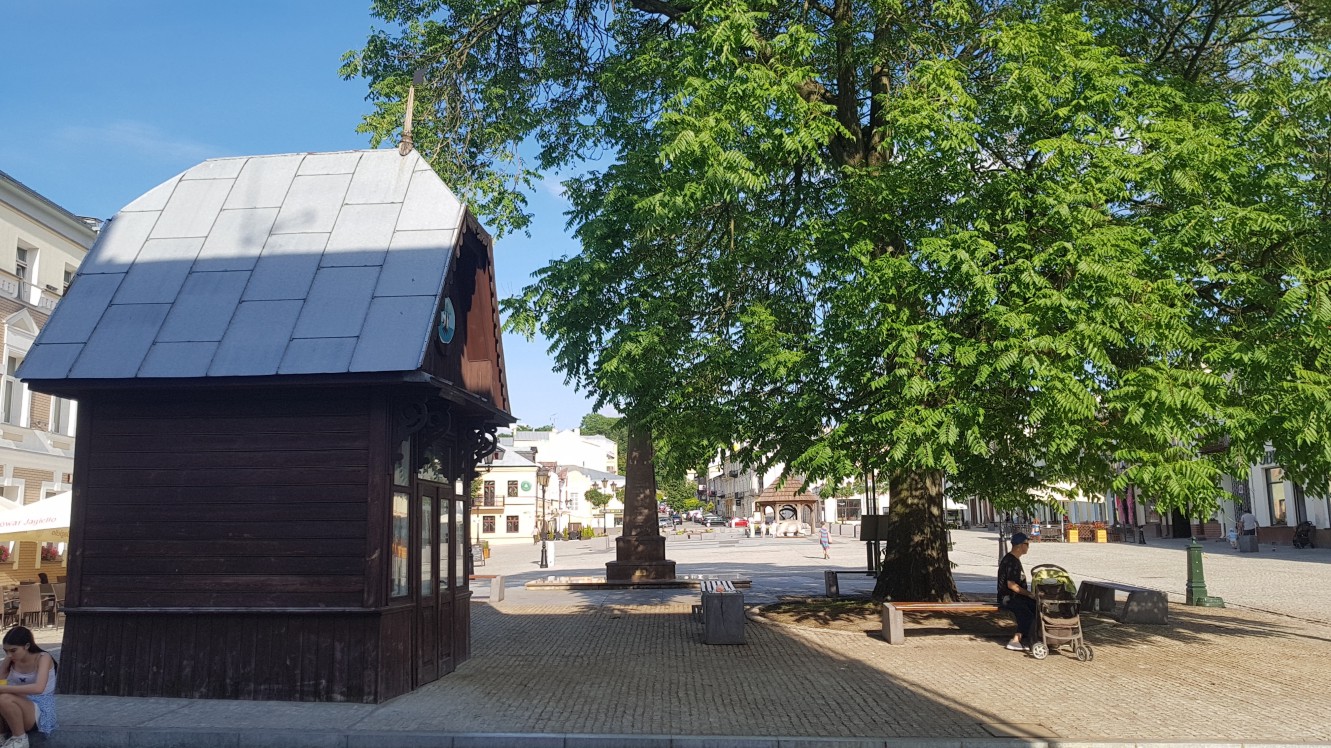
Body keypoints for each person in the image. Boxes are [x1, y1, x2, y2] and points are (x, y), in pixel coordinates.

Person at [0, 626, 57, 747]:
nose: (9, 655)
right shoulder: (10, 660)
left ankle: (20, 739)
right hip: (18, 703)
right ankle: (1, 735)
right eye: (6, 651)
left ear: (26, 646)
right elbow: (1, 681)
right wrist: (3, 684)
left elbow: (38, 688)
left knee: (4, 698)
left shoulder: (43, 658)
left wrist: (5, 689)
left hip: (40, 708)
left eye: (13, 650)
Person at [997, 532, 1038, 652]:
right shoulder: (1011, 562)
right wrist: (1030, 594)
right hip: (1009, 597)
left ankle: (1035, 637)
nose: (1028, 547)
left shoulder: (1014, 560)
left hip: (1016, 597)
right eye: (1027, 544)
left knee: (1037, 607)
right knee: (1027, 614)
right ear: (1020, 545)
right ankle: (1015, 640)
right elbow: (1012, 585)